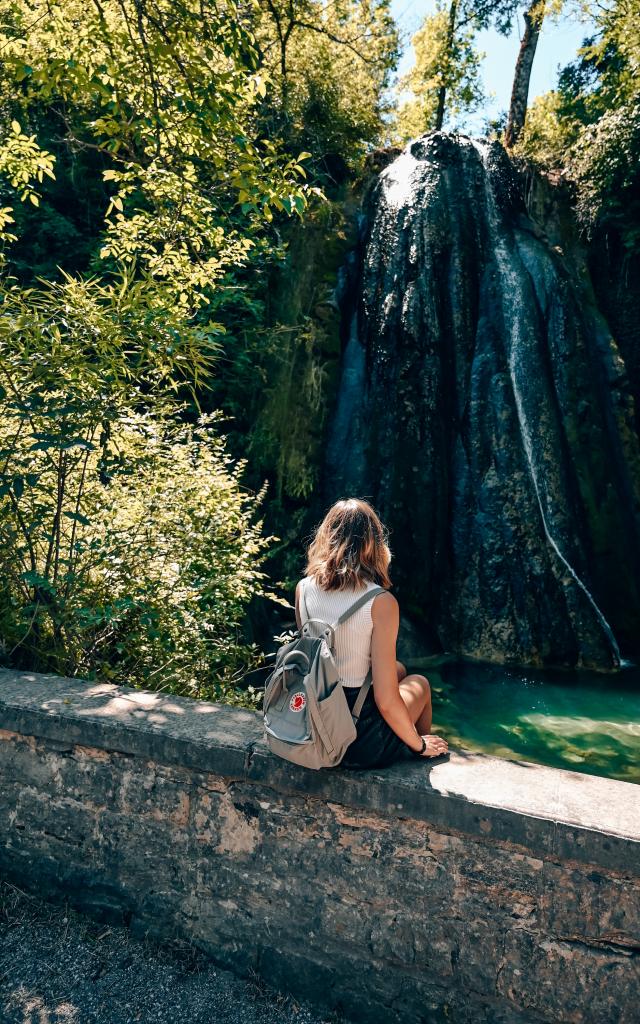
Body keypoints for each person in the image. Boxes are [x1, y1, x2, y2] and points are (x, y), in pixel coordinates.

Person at [294, 497, 449, 769]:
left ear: (326, 536)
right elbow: (386, 701)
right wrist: (419, 743)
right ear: (373, 544)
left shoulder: (303, 589)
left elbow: (314, 662)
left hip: (315, 726)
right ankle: (420, 751)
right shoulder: (380, 602)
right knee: (420, 684)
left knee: (398, 669)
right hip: (357, 742)